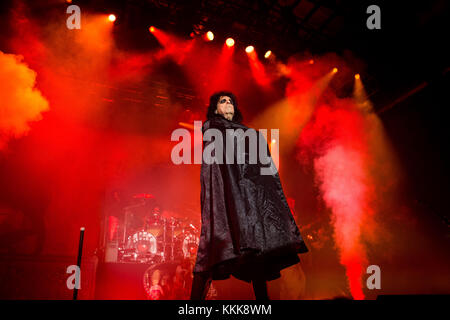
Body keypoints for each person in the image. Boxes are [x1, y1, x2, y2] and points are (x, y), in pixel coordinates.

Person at [190, 91, 309, 300]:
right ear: (215, 108)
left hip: (248, 202)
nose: (227, 104)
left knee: (256, 256)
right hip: (225, 204)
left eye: (231, 102)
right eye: (222, 101)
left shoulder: (247, 133)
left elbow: (258, 163)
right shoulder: (212, 127)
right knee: (211, 252)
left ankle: (263, 303)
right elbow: (219, 166)